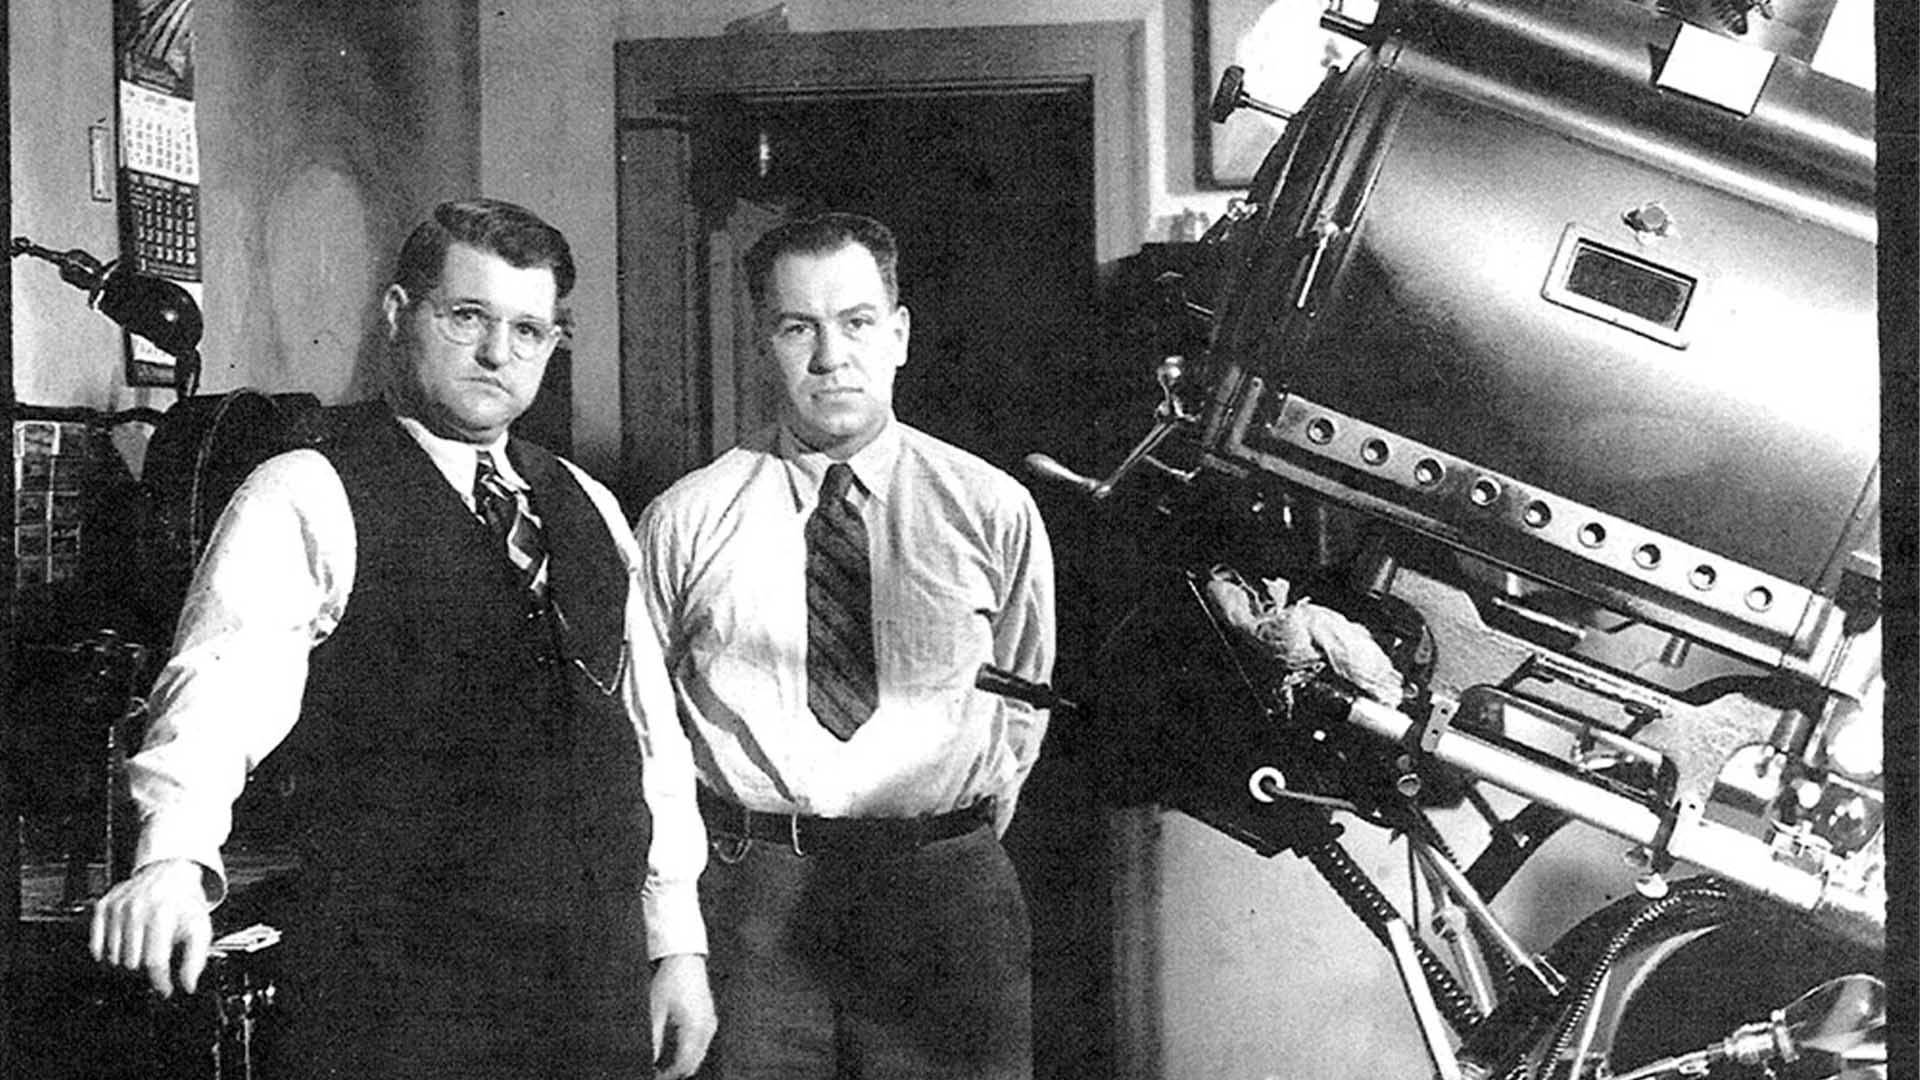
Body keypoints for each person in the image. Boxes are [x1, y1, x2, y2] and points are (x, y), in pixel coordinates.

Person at [89, 198, 716, 1080]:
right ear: (397, 314)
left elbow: (649, 741)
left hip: (589, 987)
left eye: (529, 330)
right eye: (468, 317)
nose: (499, 354)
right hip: (399, 997)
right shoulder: (308, 487)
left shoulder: (589, 504)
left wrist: (675, 944)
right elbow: (218, 687)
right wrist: (172, 859)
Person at [635, 211, 1056, 1079]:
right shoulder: (685, 520)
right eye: (799, 328)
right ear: (763, 343)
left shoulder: (990, 508)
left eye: (858, 323)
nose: (832, 357)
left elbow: (1021, 700)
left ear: (899, 335)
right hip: (757, 902)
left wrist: (947, 832)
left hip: (943, 895)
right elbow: (651, 735)